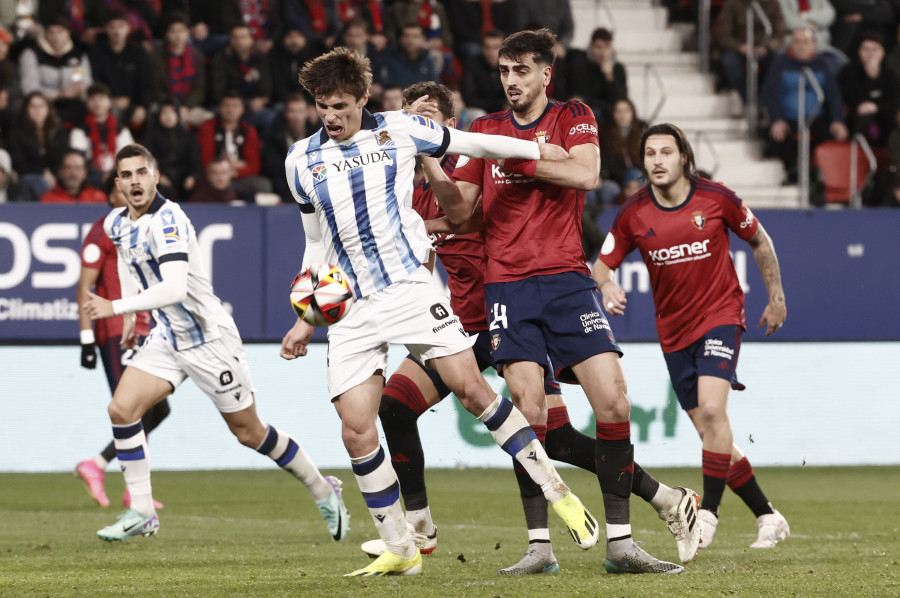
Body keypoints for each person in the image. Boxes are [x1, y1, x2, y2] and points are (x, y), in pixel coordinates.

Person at [358, 81, 703, 573]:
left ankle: (426, 529)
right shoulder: (408, 190)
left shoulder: (471, 168)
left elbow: (468, 219)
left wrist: (425, 215)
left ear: (450, 128)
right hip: (468, 325)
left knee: (415, 408)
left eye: (429, 116)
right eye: (411, 116)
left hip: (500, 314)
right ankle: (667, 499)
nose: (419, 124)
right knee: (551, 438)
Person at [281, 46, 600, 578]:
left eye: (340, 105)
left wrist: (542, 154)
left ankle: (557, 490)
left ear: (362, 98)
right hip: (353, 310)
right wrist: (304, 318)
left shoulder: (402, 130)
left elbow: (476, 141)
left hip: (409, 290)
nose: (331, 116)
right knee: (356, 430)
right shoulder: (300, 160)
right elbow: (315, 245)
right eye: (321, 106)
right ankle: (401, 548)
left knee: (474, 391)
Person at [444, 28, 686, 574]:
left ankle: (622, 545)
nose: (511, 81)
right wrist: (438, 164)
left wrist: (524, 157)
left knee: (615, 404)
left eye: (522, 70)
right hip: (506, 286)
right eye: (505, 71)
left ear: (545, 74)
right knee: (528, 412)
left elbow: (586, 172)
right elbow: (460, 213)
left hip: (567, 281)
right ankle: (539, 549)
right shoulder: (483, 130)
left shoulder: (573, 115)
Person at [82, 143, 350, 543]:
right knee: (121, 409)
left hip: (210, 340)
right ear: (117, 183)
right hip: (169, 337)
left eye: (142, 172)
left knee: (249, 432)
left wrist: (115, 305)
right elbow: (125, 259)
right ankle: (141, 511)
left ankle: (322, 487)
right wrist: (127, 317)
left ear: (156, 176)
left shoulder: (169, 219)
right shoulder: (115, 223)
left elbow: (172, 288)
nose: (135, 181)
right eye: (127, 175)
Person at [592, 122, 791, 550]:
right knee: (710, 432)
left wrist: (776, 297)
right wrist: (607, 286)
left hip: (721, 316)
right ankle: (767, 515)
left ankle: (707, 516)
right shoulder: (633, 213)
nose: (657, 161)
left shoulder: (717, 198)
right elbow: (600, 266)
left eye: (666, 152)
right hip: (674, 331)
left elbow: (759, 240)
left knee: (715, 412)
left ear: (684, 157)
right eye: (650, 154)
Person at [75, 177, 167, 510]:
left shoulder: (146, 227)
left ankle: (100, 467)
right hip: (115, 330)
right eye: (120, 187)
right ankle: (127, 486)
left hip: (144, 327)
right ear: (112, 193)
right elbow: (84, 285)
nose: (127, 192)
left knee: (159, 408)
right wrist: (86, 338)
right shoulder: (101, 231)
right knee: (132, 408)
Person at [762, 26, 848, 184]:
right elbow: (770, 93)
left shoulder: (822, 64)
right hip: (788, 118)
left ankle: (819, 174)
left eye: (805, 42)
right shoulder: (780, 63)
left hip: (816, 117)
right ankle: (792, 171)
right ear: (791, 44)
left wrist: (838, 120)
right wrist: (776, 119)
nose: (801, 46)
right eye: (797, 41)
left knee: (832, 136)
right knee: (778, 137)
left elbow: (834, 95)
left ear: (813, 43)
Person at [195, 91, 272, 201]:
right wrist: (226, 170)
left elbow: (254, 165)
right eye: (226, 105)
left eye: (235, 106)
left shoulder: (249, 130)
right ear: (220, 108)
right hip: (214, 177)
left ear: (242, 109)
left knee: (263, 185)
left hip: (239, 178)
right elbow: (206, 160)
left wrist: (232, 172)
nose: (230, 110)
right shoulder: (208, 127)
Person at [88, 11, 156, 131]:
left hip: (135, 103)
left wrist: (142, 106)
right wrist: (110, 100)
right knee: (106, 111)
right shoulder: (96, 53)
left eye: (120, 26)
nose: (117, 31)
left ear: (128, 28)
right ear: (106, 29)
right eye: (112, 27)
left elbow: (146, 83)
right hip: (106, 103)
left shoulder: (138, 52)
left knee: (154, 111)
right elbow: (95, 82)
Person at [18, 17, 93, 125]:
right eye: (51, 32)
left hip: (74, 103)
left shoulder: (79, 55)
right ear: (45, 34)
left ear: (68, 33)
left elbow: (87, 81)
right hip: (43, 105)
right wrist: (58, 94)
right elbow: (29, 88)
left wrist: (80, 87)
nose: (55, 37)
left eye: (60, 32)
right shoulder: (31, 54)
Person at [714, 0, 785, 104]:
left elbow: (779, 33)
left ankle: (769, 99)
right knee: (730, 61)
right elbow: (723, 34)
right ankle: (749, 100)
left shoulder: (773, 3)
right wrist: (740, 47)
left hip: (765, 48)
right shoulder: (732, 3)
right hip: (740, 48)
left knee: (779, 60)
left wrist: (767, 46)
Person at [210, 24, 277, 132]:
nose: (239, 41)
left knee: (271, 117)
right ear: (230, 40)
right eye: (235, 37)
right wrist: (245, 104)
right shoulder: (221, 59)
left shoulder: (261, 59)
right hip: (228, 107)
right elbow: (218, 91)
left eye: (243, 37)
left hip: (254, 110)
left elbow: (267, 88)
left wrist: (260, 101)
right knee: (211, 115)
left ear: (251, 40)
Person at [70, 83, 136, 187]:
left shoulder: (121, 129)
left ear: (109, 102)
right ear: (87, 103)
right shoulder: (80, 130)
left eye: (101, 98)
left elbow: (129, 157)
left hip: (118, 175)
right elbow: (78, 159)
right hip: (89, 176)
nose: (97, 103)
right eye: (93, 99)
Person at [7, 91, 70, 201]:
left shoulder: (58, 131)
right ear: (26, 109)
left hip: (57, 176)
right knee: (38, 182)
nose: (37, 110)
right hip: (27, 176)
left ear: (48, 109)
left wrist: (54, 175)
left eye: (41, 106)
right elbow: (18, 162)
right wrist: (42, 172)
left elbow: (62, 157)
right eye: (33, 106)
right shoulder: (17, 132)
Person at [141, 99, 202, 202]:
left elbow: (195, 161)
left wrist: (192, 177)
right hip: (160, 178)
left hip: (183, 178)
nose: (168, 116)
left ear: (178, 114)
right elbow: (146, 159)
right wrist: (158, 176)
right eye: (164, 112)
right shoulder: (150, 135)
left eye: (172, 112)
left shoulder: (188, 136)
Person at [567, 27, 628, 122]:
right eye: (599, 47)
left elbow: (620, 100)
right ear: (591, 47)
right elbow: (581, 96)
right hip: (591, 111)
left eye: (607, 47)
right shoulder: (581, 65)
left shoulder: (618, 68)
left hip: (612, 112)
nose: (603, 53)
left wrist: (610, 78)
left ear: (612, 48)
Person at [40, 151, 107, 203]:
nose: (73, 173)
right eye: (68, 168)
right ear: (60, 172)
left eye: (77, 168)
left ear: (85, 173)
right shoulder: (48, 199)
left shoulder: (98, 198)